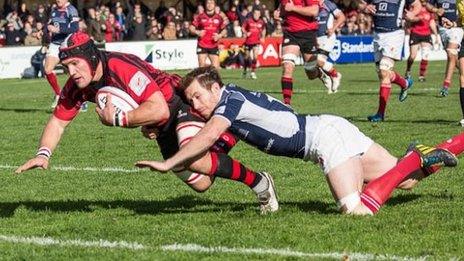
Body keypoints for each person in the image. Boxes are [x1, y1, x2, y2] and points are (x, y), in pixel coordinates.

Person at [136, 66, 462, 216]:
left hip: (325, 139)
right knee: (405, 183)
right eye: (189, 101)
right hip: (330, 126)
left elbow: (205, 139)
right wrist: (163, 135)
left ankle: (416, 156)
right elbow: (212, 158)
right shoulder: (231, 107)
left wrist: (169, 162)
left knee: (356, 210)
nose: (194, 106)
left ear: (214, 87)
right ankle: (454, 142)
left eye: (196, 97)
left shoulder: (228, 103)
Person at [14, 32, 278, 215]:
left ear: (91, 57)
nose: (71, 72)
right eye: (66, 66)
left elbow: (159, 108)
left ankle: (259, 182)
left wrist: (120, 119)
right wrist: (43, 153)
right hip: (161, 123)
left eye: (75, 63)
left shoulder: (119, 67)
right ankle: (219, 138)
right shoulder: (76, 86)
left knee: (196, 158)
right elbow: (58, 123)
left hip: (177, 103)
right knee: (201, 184)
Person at [358, 0, 420, 122]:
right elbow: (359, 3)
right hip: (377, 35)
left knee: (384, 69)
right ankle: (405, 84)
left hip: (394, 34)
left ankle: (380, 114)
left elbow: (417, 4)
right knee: (383, 74)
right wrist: (365, 7)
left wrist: (413, 13)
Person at [274, 0, 320, 105]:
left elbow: (314, 11)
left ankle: (320, 73)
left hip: (307, 34)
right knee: (287, 66)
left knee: (311, 73)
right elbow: (282, 8)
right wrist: (278, 13)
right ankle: (287, 104)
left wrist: (293, 8)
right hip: (290, 34)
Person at [44, 0, 80, 108]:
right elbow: (50, 24)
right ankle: (58, 94)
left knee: (75, 73)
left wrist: (58, 30)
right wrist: (45, 29)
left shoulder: (71, 10)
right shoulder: (54, 10)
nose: (58, 0)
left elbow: (75, 28)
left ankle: (82, 99)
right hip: (55, 44)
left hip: (67, 44)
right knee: (47, 70)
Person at [426, 0, 462, 97]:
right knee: (455, 59)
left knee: (451, 53)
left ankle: (446, 86)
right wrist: (436, 9)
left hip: (456, 28)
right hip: (443, 28)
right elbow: (427, 4)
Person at [315, 0, 345, 94]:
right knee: (311, 64)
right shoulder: (310, 4)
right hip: (315, 38)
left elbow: (342, 17)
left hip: (327, 37)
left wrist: (333, 28)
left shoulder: (328, 4)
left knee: (319, 60)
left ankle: (335, 75)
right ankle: (326, 78)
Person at [405, 0, 439, 82]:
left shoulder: (429, 8)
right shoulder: (415, 6)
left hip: (426, 34)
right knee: (412, 56)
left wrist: (436, 35)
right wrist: (417, 18)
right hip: (415, 33)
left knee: (425, 55)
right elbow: (409, 18)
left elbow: (431, 21)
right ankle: (408, 70)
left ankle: (421, 76)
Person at [190, 0, 228, 68]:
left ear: (214, 5)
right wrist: (197, 32)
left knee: (216, 68)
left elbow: (224, 30)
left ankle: (210, 78)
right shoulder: (200, 17)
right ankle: (203, 78)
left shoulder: (219, 17)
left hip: (213, 45)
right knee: (201, 68)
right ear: (205, 4)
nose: (209, 4)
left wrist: (219, 35)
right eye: (208, 3)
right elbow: (191, 28)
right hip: (202, 45)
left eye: (211, 3)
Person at [241, 8, 266, 79]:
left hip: (256, 42)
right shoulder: (248, 20)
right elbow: (243, 28)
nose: (256, 15)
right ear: (253, 14)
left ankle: (253, 72)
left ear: (260, 15)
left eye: (258, 14)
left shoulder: (261, 22)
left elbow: (264, 29)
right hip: (248, 42)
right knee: (246, 57)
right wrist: (246, 33)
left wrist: (263, 37)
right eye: (255, 14)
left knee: (255, 57)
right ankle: (245, 70)